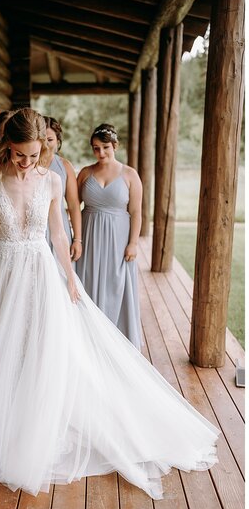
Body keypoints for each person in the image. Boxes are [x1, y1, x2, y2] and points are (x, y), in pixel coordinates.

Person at [0, 109, 218, 500]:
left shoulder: (50, 181)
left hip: (41, 272)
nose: (27, 162)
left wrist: (69, 278)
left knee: (41, 348)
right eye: (19, 154)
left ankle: (36, 427)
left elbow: (59, 235)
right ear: (6, 146)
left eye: (32, 155)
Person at [76, 123, 143, 349]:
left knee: (116, 283)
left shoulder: (130, 175)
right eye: (96, 148)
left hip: (118, 238)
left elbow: (136, 212)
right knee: (88, 280)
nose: (101, 153)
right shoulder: (85, 173)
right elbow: (73, 206)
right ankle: (89, 339)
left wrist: (133, 243)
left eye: (105, 147)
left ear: (115, 145)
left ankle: (117, 341)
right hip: (89, 235)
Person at [43, 117, 82, 266]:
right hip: (32, 227)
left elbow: (73, 205)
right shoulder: (27, 164)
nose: (45, 144)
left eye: (50, 140)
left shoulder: (65, 166)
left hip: (59, 227)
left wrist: (77, 239)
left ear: (58, 141)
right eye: (40, 139)